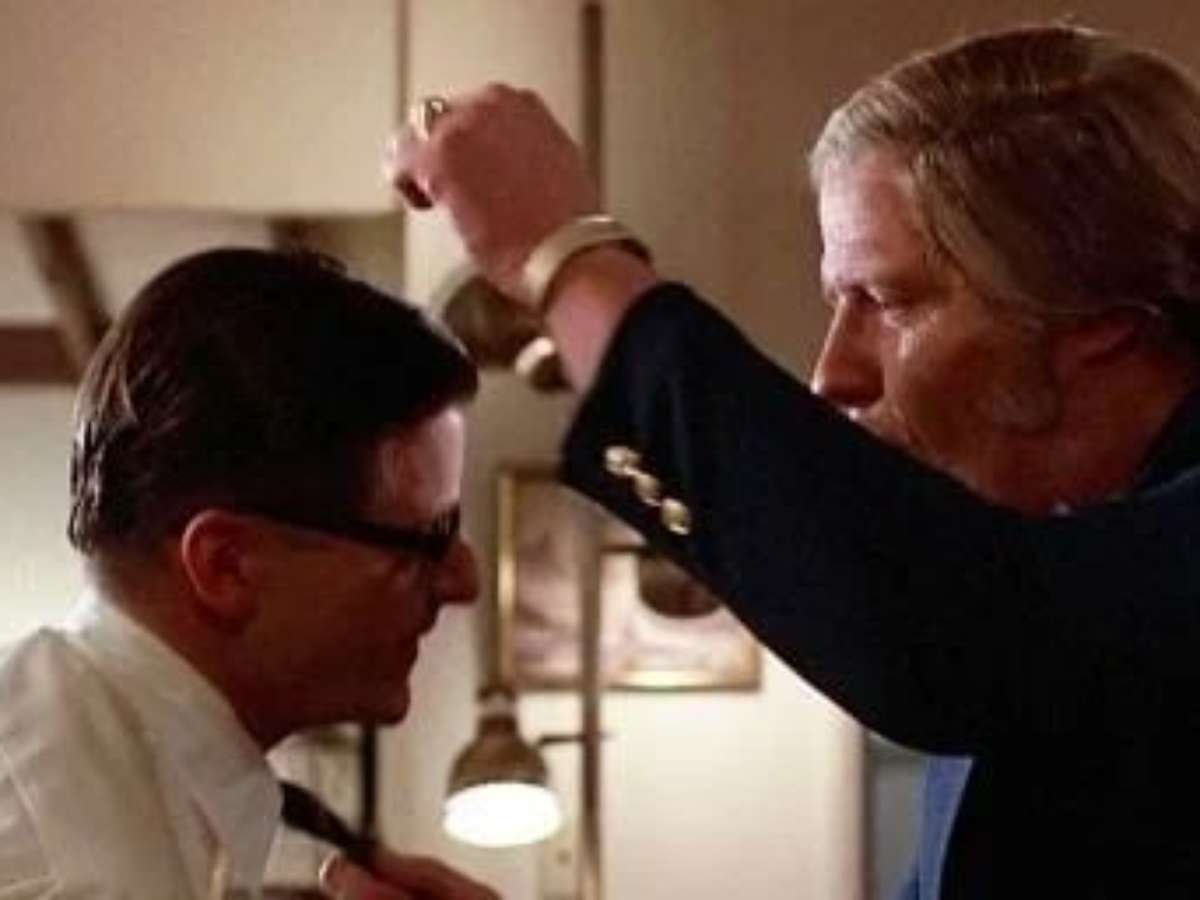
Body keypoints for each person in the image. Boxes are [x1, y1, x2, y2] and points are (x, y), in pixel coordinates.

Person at [391, 23, 1200, 899]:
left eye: (887, 300)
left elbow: (944, 635)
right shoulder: (1056, 596)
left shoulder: (1040, 616)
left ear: (1101, 325)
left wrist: (563, 257)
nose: (832, 375)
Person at [0, 248, 497, 899]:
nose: (464, 581)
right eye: (428, 537)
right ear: (226, 565)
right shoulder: (65, 869)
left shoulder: (127, 776)